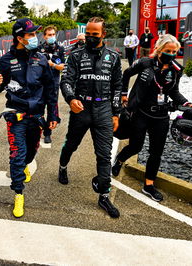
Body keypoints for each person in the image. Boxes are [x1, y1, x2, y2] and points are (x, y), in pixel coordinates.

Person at [112, 34, 192, 202]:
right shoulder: (145, 63)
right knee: (136, 146)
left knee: (156, 153)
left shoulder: (176, 70)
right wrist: (123, 95)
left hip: (161, 117)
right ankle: (120, 159)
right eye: (168, 50)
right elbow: (126, 74)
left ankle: (149, 185)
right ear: (159, 50)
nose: (171, 54)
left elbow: (174, 92)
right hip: (140, 114)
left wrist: (186, 103)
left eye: (174, 51)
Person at [0, 18, 60, 218]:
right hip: (15, 115)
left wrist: (53, 114)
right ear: (19, 38)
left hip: (36, 116)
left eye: (35, 34)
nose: (34, 38)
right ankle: (18, 193)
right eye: (30, 35)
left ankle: (26, 165)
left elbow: (50, 90)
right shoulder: (6, 60)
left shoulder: (40, 59)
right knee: (17, 155)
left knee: (31, 152)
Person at [59, 17, 122, 218]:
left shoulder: (113, 56)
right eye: (87, 34)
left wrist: (116, 113)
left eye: (94, 35)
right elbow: (66, 80)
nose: (90, 38)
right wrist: (70, 99)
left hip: (103, 108)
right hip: (81, 108)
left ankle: (104, 194)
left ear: (103, 34)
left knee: (104, 154)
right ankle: (62, 166)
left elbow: (118, 87)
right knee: (71, 144)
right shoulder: (76, 55)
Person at [39, 25, 65, 143]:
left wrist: (52, 64)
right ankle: (39, 128)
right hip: (40, 83)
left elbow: (62, 67)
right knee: (39, 107)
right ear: (44, 36)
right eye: (49, 35)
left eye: (53, 34)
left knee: (51, 107)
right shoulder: (38, 48)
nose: (51, 37)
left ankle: (48, 133)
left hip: (53, 82)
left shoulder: (60, 49)